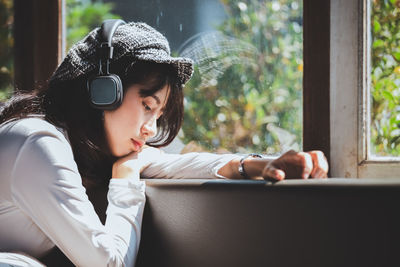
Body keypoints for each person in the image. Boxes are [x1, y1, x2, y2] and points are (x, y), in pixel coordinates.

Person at [0, 21, 328, 267]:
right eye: (147, 106)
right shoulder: (38, 143)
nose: (150, 129)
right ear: (103, 91)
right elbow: (109, 263)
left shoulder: (71, 144)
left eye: (158, 114)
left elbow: (164, 163)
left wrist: (252, 164)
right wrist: (126, 178)